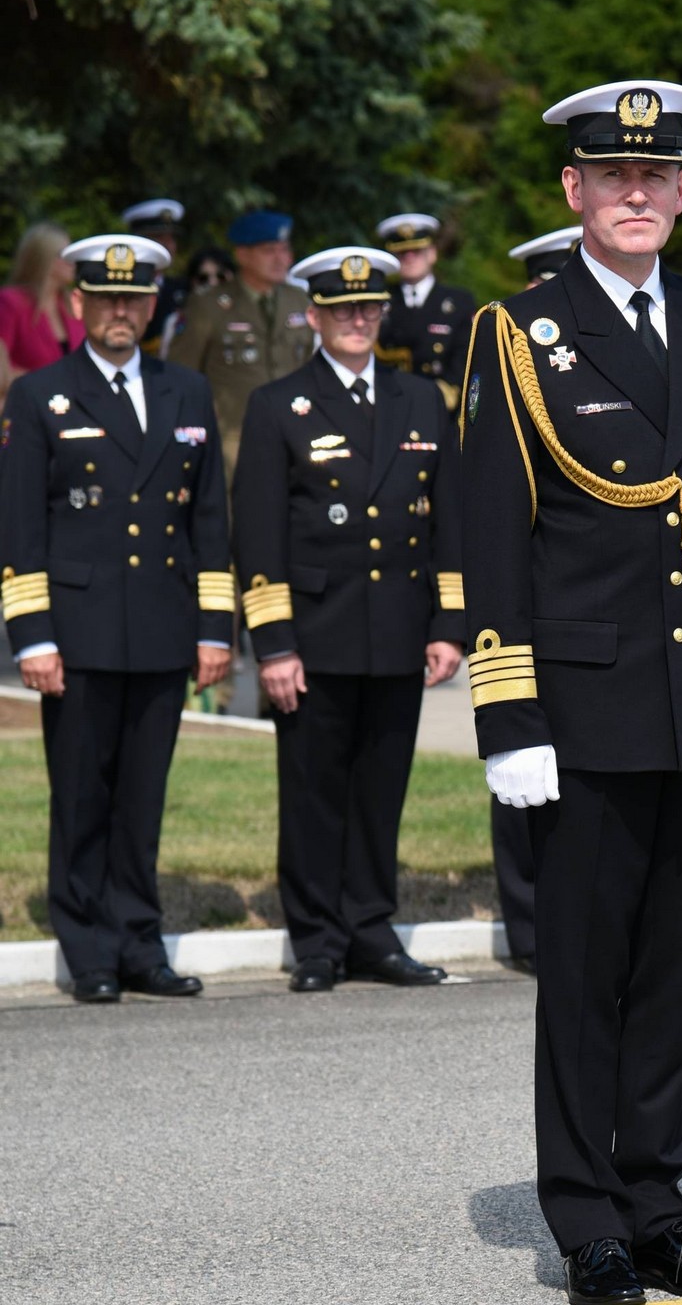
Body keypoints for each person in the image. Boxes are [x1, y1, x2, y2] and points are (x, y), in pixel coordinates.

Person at [460, 76, 682, 1305]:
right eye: (614, 175)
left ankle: (658, 1208)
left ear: (681, 190)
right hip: (589, 704)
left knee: (672, 969)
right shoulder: (519, 330)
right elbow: (494, 531)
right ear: (573, 189)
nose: (638, 193)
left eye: (658, 177)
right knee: (586, 968)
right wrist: (507, 712)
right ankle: (585, 1220)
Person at [0, 234, 234, 1001]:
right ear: (78, 305)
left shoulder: (185, 391)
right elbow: (20, 529)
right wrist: (31, 636)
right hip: (77, 631)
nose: (120, 313)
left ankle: (139, 942)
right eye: (105, 299)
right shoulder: (40, 396)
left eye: (133, 300)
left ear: (153, 306)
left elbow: (208, 519)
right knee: (81, 797)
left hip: (164, 627)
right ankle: (90, 950)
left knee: (142, 798)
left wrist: (212, 627)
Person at [232, 245, 465, 991]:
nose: (357, 321)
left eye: (368, 308)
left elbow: (448, 523)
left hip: (398, 631)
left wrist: (447, 624)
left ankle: (371, 931)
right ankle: (318, 943)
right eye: (341, 309)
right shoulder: (278, 405)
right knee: (312, 796)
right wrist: (272, 645)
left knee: (378, 796)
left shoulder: (422, 401)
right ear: (314, 315)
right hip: (315, 635)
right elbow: (259, 535)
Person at [483, 224, 589, 974]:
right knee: (525, 776)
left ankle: (564, 921)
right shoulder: (506, 350)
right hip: (528, 606)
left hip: (589, 612)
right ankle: (527, 923)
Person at [168, 210, 313, 489]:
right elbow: (180, 377)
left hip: (294, 438)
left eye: (285, 249)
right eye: (269, 250)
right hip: (232, 443)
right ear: (242, 255)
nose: (281, 258)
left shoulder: (300, 302)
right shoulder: (209, 305)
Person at [374, 213, 477, 402]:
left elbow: (467, 356)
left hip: (441, 404)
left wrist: (445, 393)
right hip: (390, 400)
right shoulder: (379, 302)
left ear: (432, 253)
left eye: (417, 251)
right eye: (402, 253)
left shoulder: (459, 301)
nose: (410, 258)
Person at [0, 222, 83, 374]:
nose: (72, 262)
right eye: (65, 255)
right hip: (25, 396)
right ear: (43, 258)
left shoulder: (72, 305)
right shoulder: (11, 303)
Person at [124, 199, 189, 353]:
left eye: (171, 238)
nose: (167, 245)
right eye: (158, 237)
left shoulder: (185, 290)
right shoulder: (118, 287)